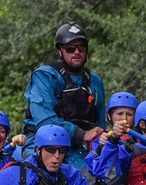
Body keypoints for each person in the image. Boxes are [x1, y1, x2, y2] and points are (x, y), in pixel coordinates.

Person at [22, 22, 106, 171]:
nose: (77, 52)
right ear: (60, 51)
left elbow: (99, 125)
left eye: (81, 48)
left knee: (97, 174)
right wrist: (83, 134)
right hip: (40, 142)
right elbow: (45, 121)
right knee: (38, 174)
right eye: (70, 48)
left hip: (74, 147)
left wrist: (100, 143)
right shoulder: (45, 76)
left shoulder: (95, 81)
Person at [85, 91, 138, 185]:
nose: (124, 119)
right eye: (119, 114)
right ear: (110, 116)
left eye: (129, 114)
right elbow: (95, 169)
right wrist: (105, 145)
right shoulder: (102, 139)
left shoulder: (142, 139)